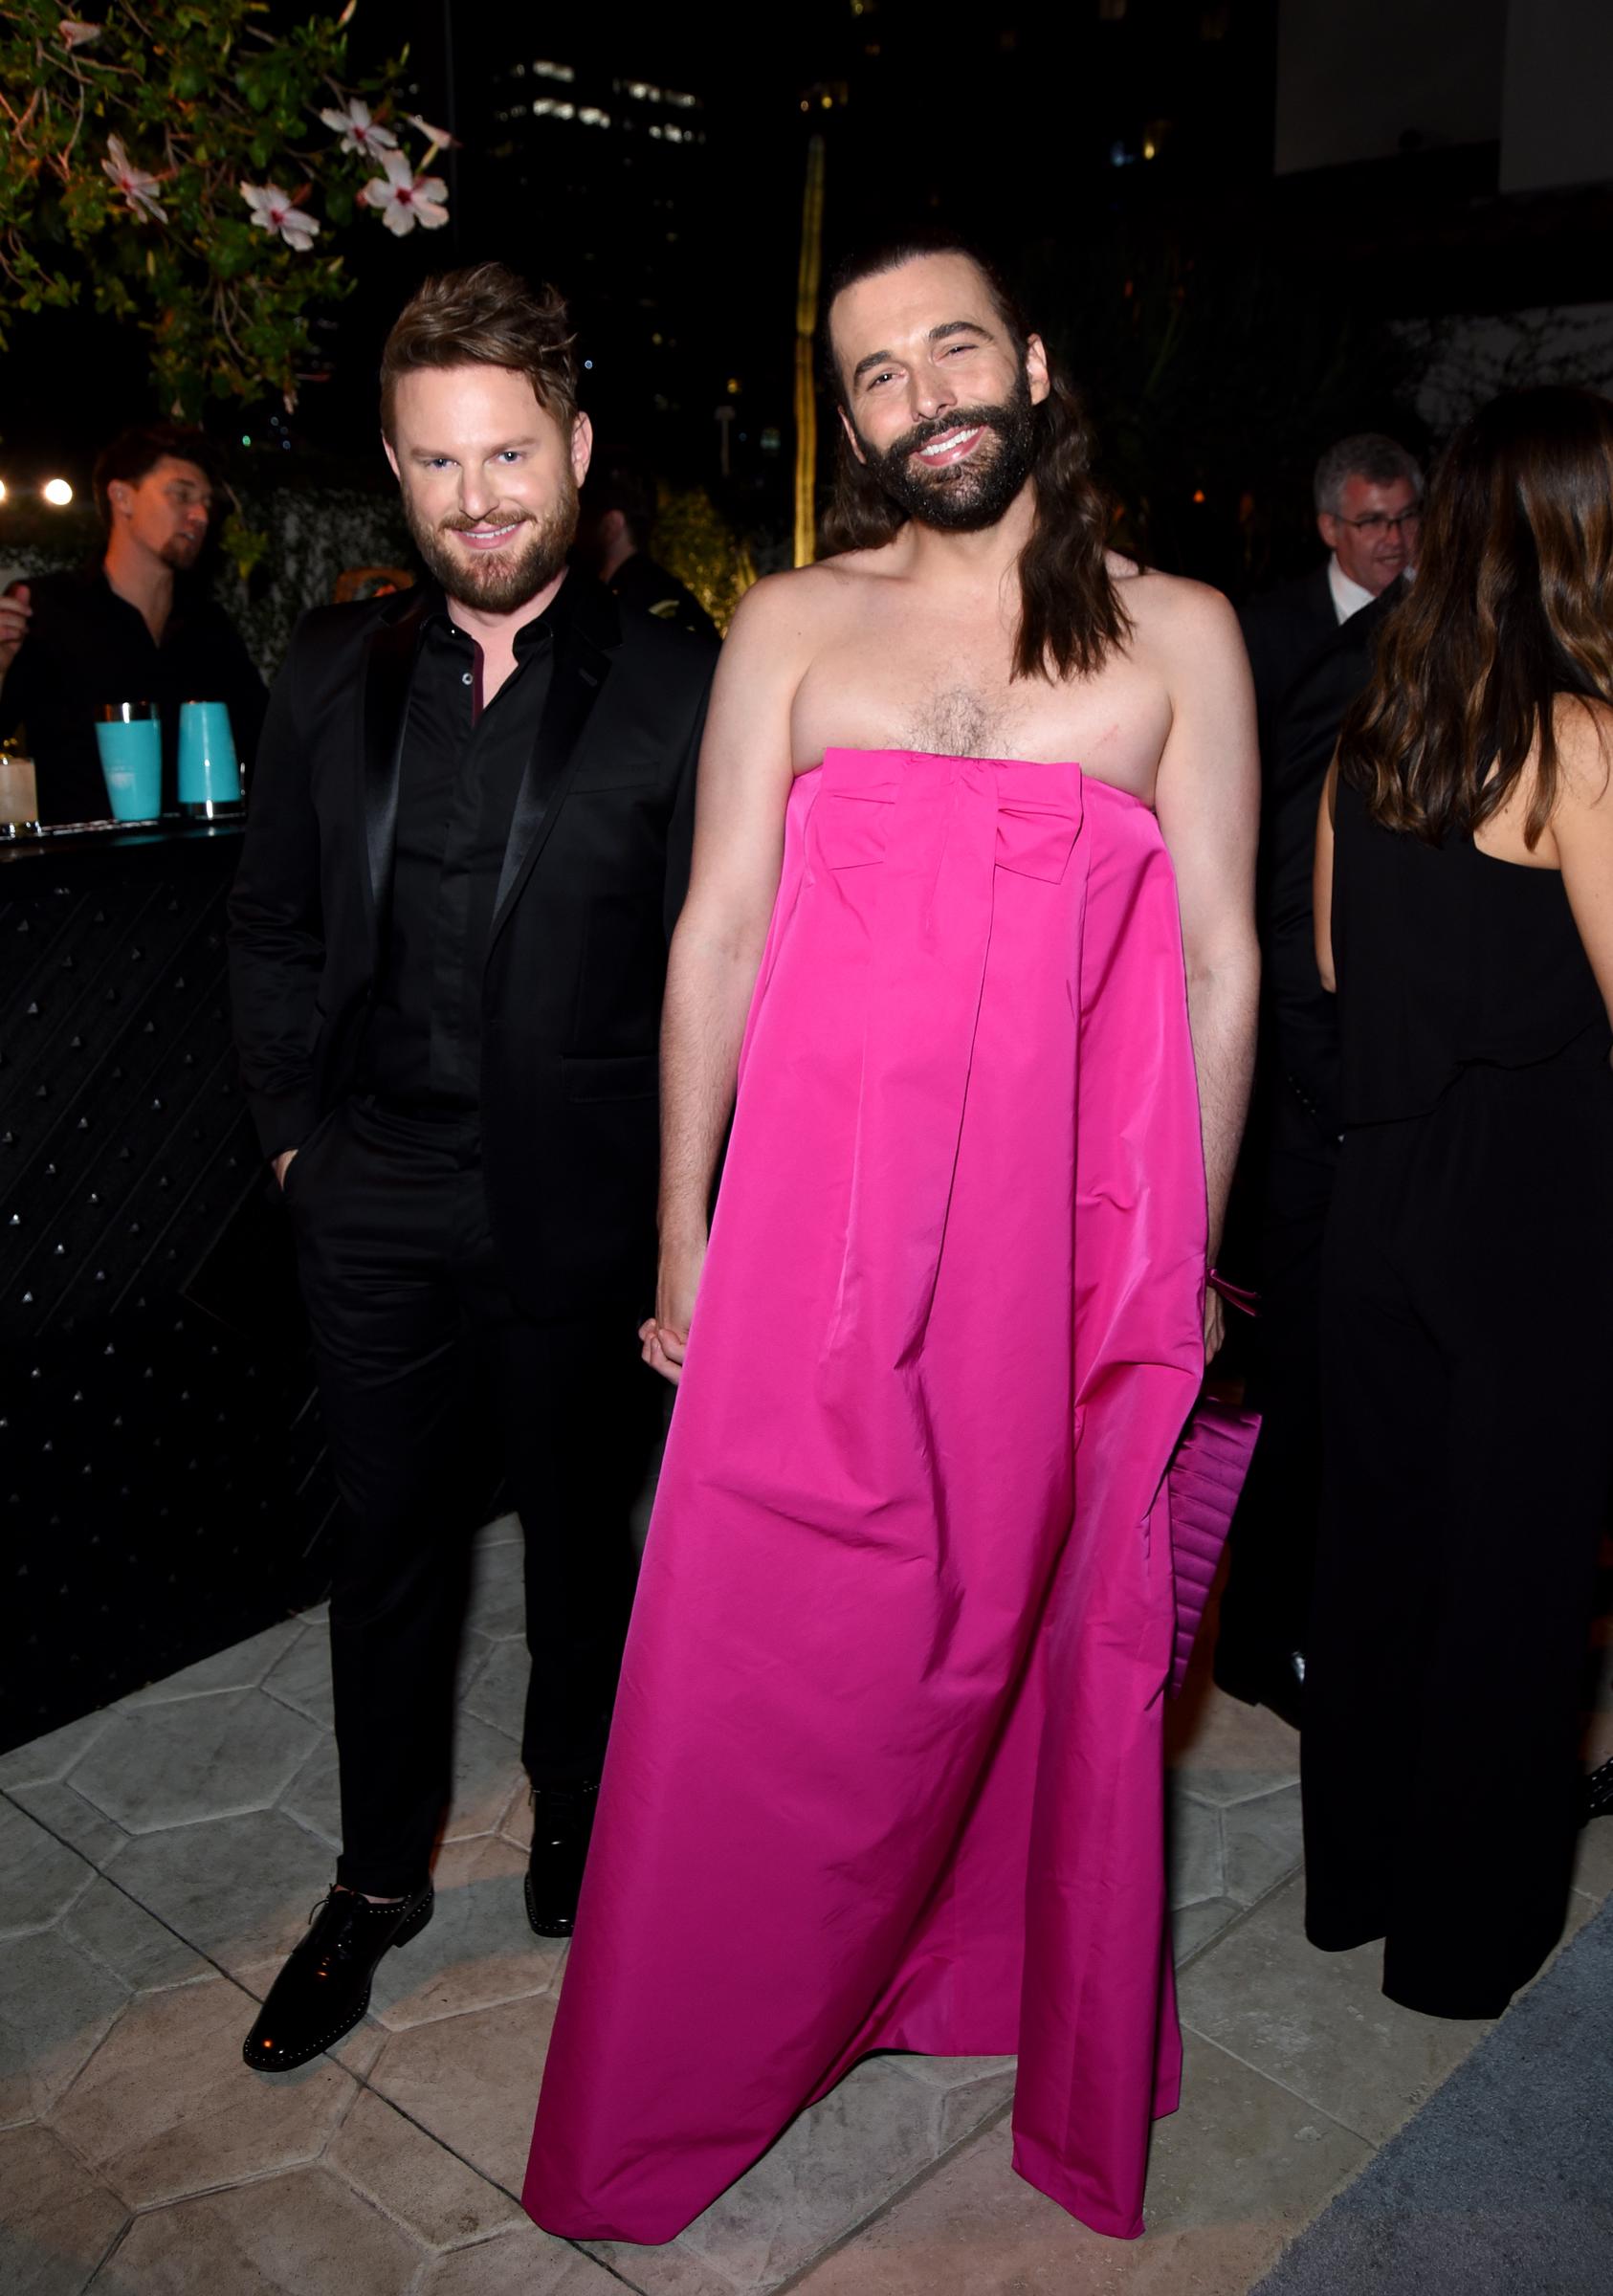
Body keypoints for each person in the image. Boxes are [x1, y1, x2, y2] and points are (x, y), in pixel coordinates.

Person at [523, 230, 1259, 2243]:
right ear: (851, 423)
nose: (926, 394)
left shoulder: (1180, 631)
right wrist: (679, 1229)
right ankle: (708, 2047)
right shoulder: (792, 623)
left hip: (1070, 1248)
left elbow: (1213, 964)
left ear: (1029, 360)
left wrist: (1177, 1260)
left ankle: (978, 1981)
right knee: (763, 1659)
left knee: (1032, 1641)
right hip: (805, 1240)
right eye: (877, 376)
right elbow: (720, 935)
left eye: (955, 350)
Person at [227, 262, 714, 2073]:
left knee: (589, 1545)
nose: (478, 497)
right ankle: (373, 1882)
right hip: (369, 1197)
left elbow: (712, 972)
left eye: (509, 453)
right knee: (388, 1553)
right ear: (392, 466)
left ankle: (574, 1805)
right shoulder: (324, 672)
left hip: (582, 1213)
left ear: (575, 448)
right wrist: (293, 1148)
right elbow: (268, 926)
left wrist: (687, 1221)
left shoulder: (681, 685)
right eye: (437, 463)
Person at [1306, 386, 1613, 2020]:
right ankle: (1458, 1945)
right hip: (1532, 1215)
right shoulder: (1581, 738)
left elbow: (1344, 965)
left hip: (1381, 1190)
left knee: (1382, 1565)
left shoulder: (1381, 710)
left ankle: (1354, 1887)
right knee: (1512, 1585)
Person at [1212, 574, 1405, 1725]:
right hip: (1318, 1113)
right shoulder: (1368, 663)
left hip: (1349, 1108)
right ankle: (1264, 1641)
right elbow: (1287, 914)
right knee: (1302, 1400)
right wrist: (1343, 1102)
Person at [0, 424, 268, 823]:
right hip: (83, 874)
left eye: (206, 502)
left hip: (201, 873)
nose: (200, 515)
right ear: (121, 497)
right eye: (181, 495)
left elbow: (270, 744)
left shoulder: (209, 626)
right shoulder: (47, 608)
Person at [1240, 432, 1422, 759]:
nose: (1394, 538)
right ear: (1329, 529)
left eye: (1407, 517)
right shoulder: (1266, 633)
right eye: (1372, 522)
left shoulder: (1447, 613)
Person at [572, 448, 719, 641]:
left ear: (612, 526)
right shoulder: (664, 589)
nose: (573, 533)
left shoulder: (626, 603)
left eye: (583, 520)